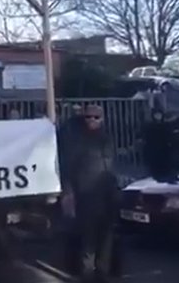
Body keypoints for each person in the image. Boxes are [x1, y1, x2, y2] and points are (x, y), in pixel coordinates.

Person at [59, 105, 121, 283]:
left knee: (106, 235)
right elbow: (68, 168)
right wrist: (69, 191)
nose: (92, 120)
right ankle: (87, 274)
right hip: (86, 195)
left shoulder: (107, 139)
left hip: (107, 194)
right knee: (88, 237)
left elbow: (111, 165)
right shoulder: (76, 140)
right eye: (88, 117)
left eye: (96, 117)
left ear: (102, 119)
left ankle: (102, 272)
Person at [141, 109, 176, 182]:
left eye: (159, 114)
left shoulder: (165, 125)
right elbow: (146, 138)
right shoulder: (149, 126)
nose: (158, 116)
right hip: (153, 150)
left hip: (163, 150)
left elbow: (169, 137)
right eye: (156, 114)